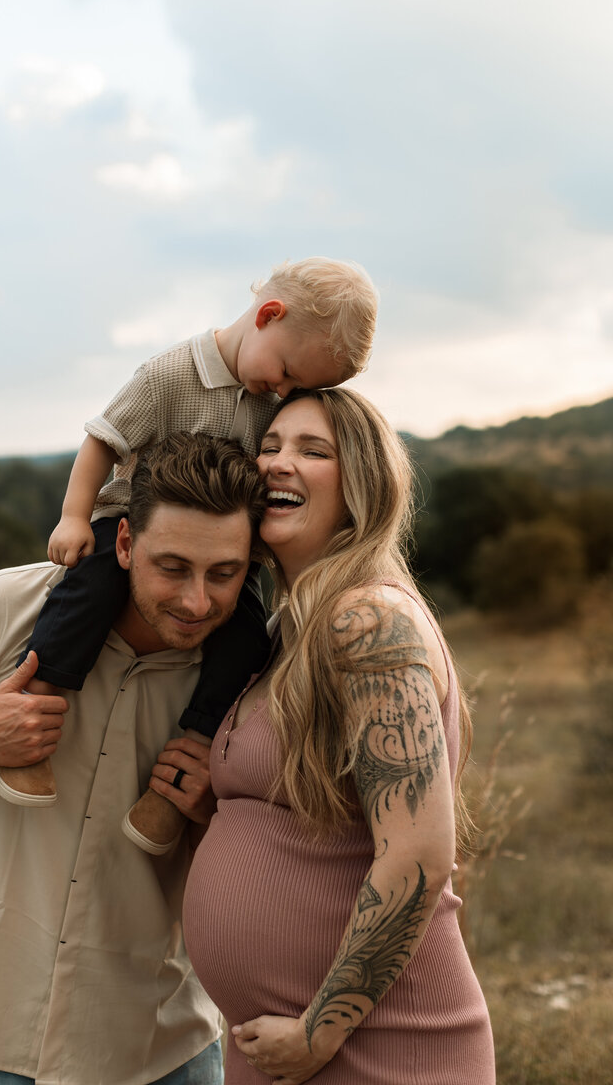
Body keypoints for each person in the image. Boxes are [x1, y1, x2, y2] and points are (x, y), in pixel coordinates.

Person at [0, 433, 268, 1085]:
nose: (198, 601)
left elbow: (269, 870)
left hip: (164, 1051)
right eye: (171, 567)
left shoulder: (258, 676)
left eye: (224, 574)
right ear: (122, 545)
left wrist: (215, 813)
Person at [0, 258, 378, 857]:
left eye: (294, 387)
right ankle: (31, 719)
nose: (281, 391)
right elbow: (103, 440)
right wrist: (74, 517)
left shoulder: (269, 392)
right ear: (267, 316)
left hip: (225, 553)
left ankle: (181, 775)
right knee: (86, 595)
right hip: (132, 524)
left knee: (248, 638)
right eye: (284, 373)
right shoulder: (167, 375)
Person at [180, 390, 496, 1085]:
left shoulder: (368, 621)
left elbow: (418, 856)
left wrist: (320, 1031)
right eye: (270, 446)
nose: (278, 464)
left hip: (379, 1046)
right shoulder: (284, 631)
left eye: (312, 451)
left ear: (363, 485)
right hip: (278, 1047)